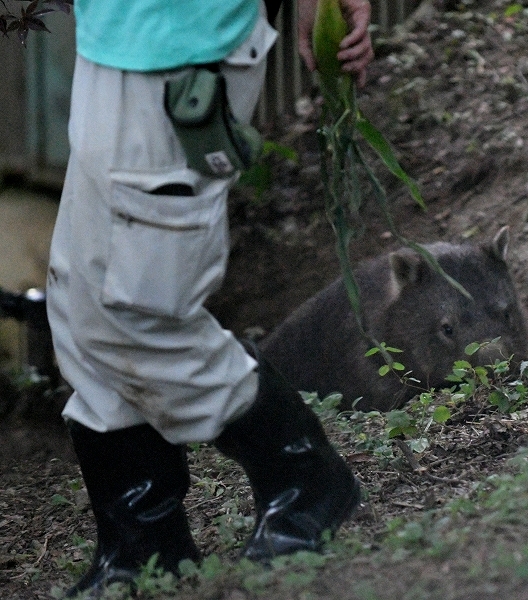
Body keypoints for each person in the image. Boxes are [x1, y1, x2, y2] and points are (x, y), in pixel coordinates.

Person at [45, 0, 374, 596]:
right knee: (81, 303)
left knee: (136, 313)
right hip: (117, 34)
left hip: (181, 44)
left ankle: (303, 474)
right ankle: (142, 548)